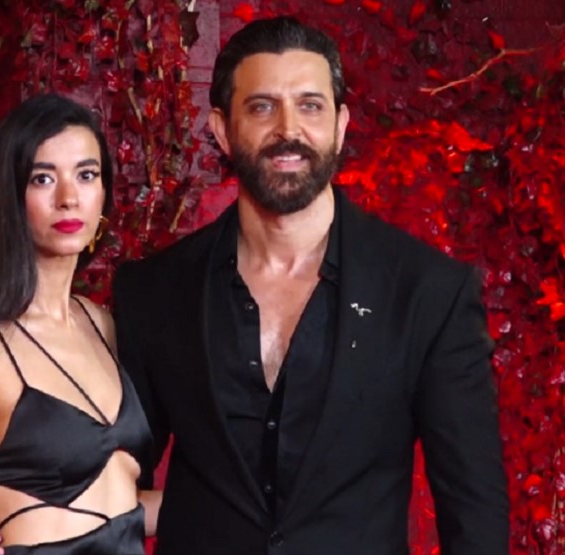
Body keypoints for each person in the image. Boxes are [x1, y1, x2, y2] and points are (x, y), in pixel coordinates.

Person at [110, 16, 509, 555]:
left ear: (340, 125)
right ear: (223, 129)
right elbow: (109, 475)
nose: (289, 130)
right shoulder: (154, 291)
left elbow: (475, 515)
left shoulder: (428, 293)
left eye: (310, 105)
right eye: (262, 106)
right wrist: (23, 526)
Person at [0, 93, 154, 555]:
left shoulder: (102, 324)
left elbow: (120, 504)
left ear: (104, 192)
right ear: (9, 196)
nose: (69, 198)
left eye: (86, 175)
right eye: (43, 178)